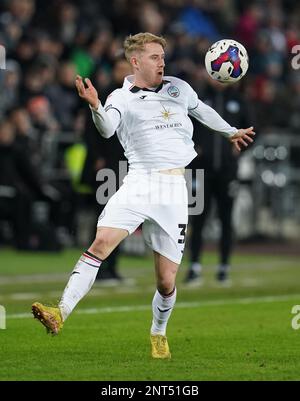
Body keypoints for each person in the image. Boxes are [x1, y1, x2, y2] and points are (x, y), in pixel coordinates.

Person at [32, 32, 255, 359]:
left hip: (174, 190)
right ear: (135, 61)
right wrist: (95, 105)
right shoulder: (120, 98)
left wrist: (230, 131)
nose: (162, 62)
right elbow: (107, 128)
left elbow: (202, 110)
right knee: (101, 243)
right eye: (154, 57)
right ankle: (60, 311)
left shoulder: (180, 88)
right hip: (139, 182)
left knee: (166, 282)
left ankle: (158, 331)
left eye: (163, 57)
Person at [184, 79, 254, 285]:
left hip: (227, 172)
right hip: (200, 170)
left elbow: (251, 129)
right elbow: (184, 126)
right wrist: (194, 147)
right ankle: (194, 267)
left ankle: (224, 267)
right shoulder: (197, 98)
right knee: (197, 220)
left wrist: (240, 149)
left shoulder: (239, 100)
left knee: (226, 220)